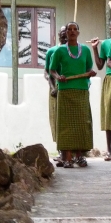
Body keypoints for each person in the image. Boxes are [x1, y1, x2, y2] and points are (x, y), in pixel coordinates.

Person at [49, 22, 96, 168]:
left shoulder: (86, 50)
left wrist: (90, 73)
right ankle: (67, 158)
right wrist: (58, 77)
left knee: (82, 124)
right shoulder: (60, 50)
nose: (72, 31)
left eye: (75, 29)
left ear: (78, 32)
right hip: (65, 91)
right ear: (66, 33)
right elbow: (52, 70)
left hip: (82, 91)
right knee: (66, 126)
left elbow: (89, 68)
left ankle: (80, 157)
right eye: (69, 29)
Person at [91, 19, 111, 161]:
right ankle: (109, 150)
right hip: (110, 79)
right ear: (110, 29)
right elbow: (99, 66)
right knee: (109, 114)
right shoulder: (106, 43)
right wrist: (95, 48)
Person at [44, 26, 67, 167]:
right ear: (58, 35)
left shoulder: (74, 52)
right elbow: (47, 72)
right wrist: (53, 88)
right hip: (55, 89)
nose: (64, 36)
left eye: (66, 33)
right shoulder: (52, 51)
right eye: (62, 33)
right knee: (57, 120)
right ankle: (61, 150)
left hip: (69, 88)